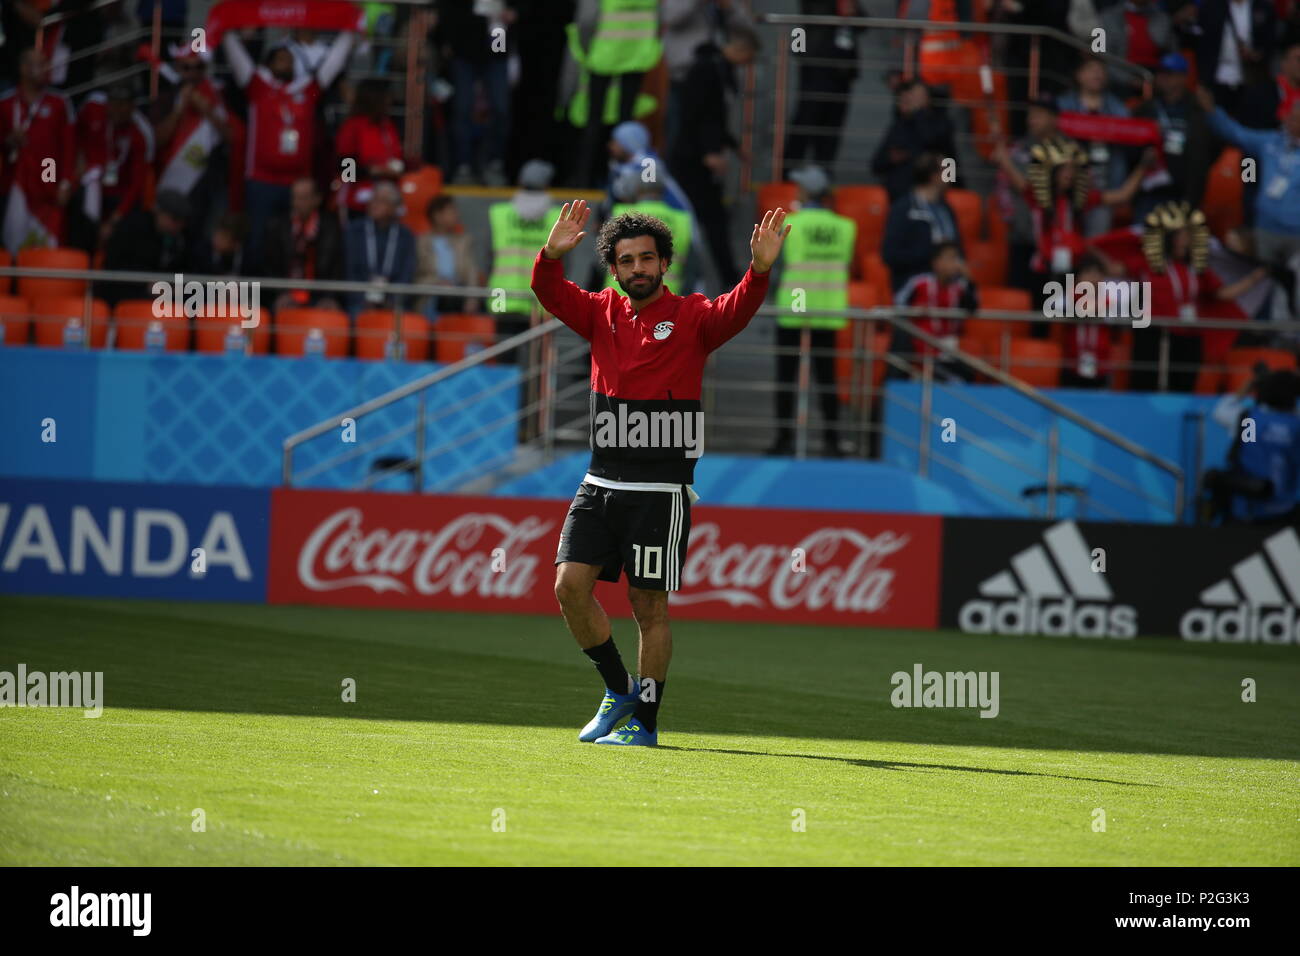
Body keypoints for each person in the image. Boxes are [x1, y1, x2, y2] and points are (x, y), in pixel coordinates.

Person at [532, 199, 787, 746]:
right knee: (568, 586)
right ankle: (618, 688)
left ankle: (644, 724)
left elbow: (738, 309)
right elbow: (550, 293)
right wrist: (550, 255)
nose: (638, 269)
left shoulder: (694, 316)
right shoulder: (599, 311)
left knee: (648, 608)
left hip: (660, 489)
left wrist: (760, 270)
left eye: (647, 259)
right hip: (599, 482)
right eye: (627, 261)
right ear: (614, 268)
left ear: (664, 264)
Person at [222, 27, 356, 267]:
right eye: (281, 58)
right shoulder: (257, 88)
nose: (287, 63)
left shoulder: (307, 90)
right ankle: (257, 299)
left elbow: (333, 63)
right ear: (269, 63)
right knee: (258, 242)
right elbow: (236, 56)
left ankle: (291, 295)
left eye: (291, 60)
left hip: (298, 185)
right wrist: (223, 27)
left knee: (297, 242)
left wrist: (350, 29)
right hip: (261, 182)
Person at [766, 165, 856, 456]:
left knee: (786, 377)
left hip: (793, 309)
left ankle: (784, 439)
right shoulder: (846, 227)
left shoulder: (789, 225)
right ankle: (832, 440)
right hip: (828, 310)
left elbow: (775, 269)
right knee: (826, 378)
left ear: (806, 192)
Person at [666, 26, 756, 289]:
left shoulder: (714, 68)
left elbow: (712, 118)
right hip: (692, 161)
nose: (747, 65)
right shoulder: (707, 70)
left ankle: (725, 276)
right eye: (748, 58)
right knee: (707, 220)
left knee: (711, 220)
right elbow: (698, 115)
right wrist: (708, 152)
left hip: (697, 157)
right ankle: (723, 277)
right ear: (740, 49)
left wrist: (733, 145)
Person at [1199, 87, 1300, 290]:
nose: (1293, 122)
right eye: (1293, 117)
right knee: (1263, 287)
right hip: (1266, 229)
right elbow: (1236, 133)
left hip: (1297, 235)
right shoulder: (1270, 142)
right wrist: (1212, 111)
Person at [0, 48, 75, 254]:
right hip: (15, 179)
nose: (46, 69)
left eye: (46, 64)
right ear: (24, 69)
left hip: (46, 169)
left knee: (45, 228)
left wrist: (66, 182)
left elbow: (68, 147)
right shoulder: (5, 103)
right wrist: (8, 140)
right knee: (12, 237)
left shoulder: (59, 102)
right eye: (39, 64)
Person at [1204, 370, 1300, 524]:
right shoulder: (1295, 425)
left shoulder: (1250, 420)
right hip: (1284, 510)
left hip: (1246, 507)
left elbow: (1220, 412)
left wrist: (1246, 388)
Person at [783, 0, 865, 173]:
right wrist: (840, 10)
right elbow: (813, 10)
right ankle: (788, 172)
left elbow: (864, 23)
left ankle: (822, 174)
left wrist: (853, 11)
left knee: (832, 126)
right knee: (807, 120)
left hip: (843, 71)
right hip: (817, 65)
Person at [486, 159, 563, 340]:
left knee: (504, 359)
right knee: (537, 361)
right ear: (547, 185)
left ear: (520, 182)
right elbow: (566, 261)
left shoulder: (499, 213)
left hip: (502, 295)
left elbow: (486, 257)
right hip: (542, 298)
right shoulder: (556, 217)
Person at [73, 83, 154, 251]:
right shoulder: (92, 108)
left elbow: (137, 184)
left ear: (132, 107)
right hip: (90, 183)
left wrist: (115, 218)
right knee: (76, 211)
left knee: (129, 226)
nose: (117, 110)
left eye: (123, 105)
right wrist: (79, 158)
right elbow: (74, 134)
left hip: (119, 195)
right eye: (114, 104)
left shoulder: (141, 133)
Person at [1133, 53, 1213, 218]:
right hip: (1149, 192)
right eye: (1161, 73)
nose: (1163, 78)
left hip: (1182, 194)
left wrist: (1192, 200)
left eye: (1169, 74)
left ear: (1183, 77)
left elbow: (1204, 155)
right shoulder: (1145, 109)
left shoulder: (1197, 110)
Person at [891, 241, 978, 383]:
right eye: (950, 258)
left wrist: (969, 280)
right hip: (918, 348)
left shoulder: (961, 287)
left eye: (956, 258)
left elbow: (973, 308)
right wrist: (914, 311)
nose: (955, 263)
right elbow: (897, 307)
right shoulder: (919, 283)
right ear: (936, 262)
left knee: (966, 376)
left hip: (946, 350)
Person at [881, 152, 961, 293]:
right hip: (914, 288)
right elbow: (890, 255)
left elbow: (959, 249)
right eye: (947, 169)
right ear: (933, 175)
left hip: (948, 288)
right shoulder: (903, 208)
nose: (951, 175)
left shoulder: (947, 209)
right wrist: (933, 255)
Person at [101, 189, 197, 305]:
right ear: (159, 212)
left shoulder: (180, 239)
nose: (178, 226)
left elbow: (182, 268)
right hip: (125, 289)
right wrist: (146, 283)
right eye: (174, 219)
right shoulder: (132, 228)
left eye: (182, 222)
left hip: (162, 292)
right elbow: (115, 265)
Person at [264, 177, 344, 313]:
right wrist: (281, 294)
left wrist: (330, 297)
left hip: (319, 296)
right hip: (287, 295)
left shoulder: (332, 228)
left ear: (317, 199)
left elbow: (338, 268)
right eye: (295, 198)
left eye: (304, 198)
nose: (298, 203)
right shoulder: (277, 227)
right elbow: (270, 267)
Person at [870, 79, 958, 200]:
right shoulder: (899, 126)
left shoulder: (942, 124)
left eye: (918, 96)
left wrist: (918, 113)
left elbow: (935, 145)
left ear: (928, 99)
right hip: (900, 195)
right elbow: (876, 164)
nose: (911, 101)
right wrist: (891, 158)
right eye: (910, 96)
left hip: (934, 195)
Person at [344, 180, 416, 317]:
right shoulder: (354, 231)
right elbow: (350, 271)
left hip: (393, 303)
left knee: (405, 323)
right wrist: (363, 299)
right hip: (360, 301)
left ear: (395, 207)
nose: (374, 205)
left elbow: (407, 274)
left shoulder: (405, 235)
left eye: (382, 201)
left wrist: (392, 301)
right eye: (373, 199)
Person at [335, 78, 404, 219]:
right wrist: (373, 171)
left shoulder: (388, 125)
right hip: (360, 199)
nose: (390, 100)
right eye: (386, 96)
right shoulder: (353, 126)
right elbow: (346, 170)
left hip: (388, 197)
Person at [415, 194, 483, 318]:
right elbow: (416, 278)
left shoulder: (464, 241)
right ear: (437, 216)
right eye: (451, 211)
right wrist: (437, 283)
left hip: (457, 295)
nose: (457, 215)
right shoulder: (421, 243)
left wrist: (472, 298)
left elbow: (471, 274)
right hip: (431, 295)